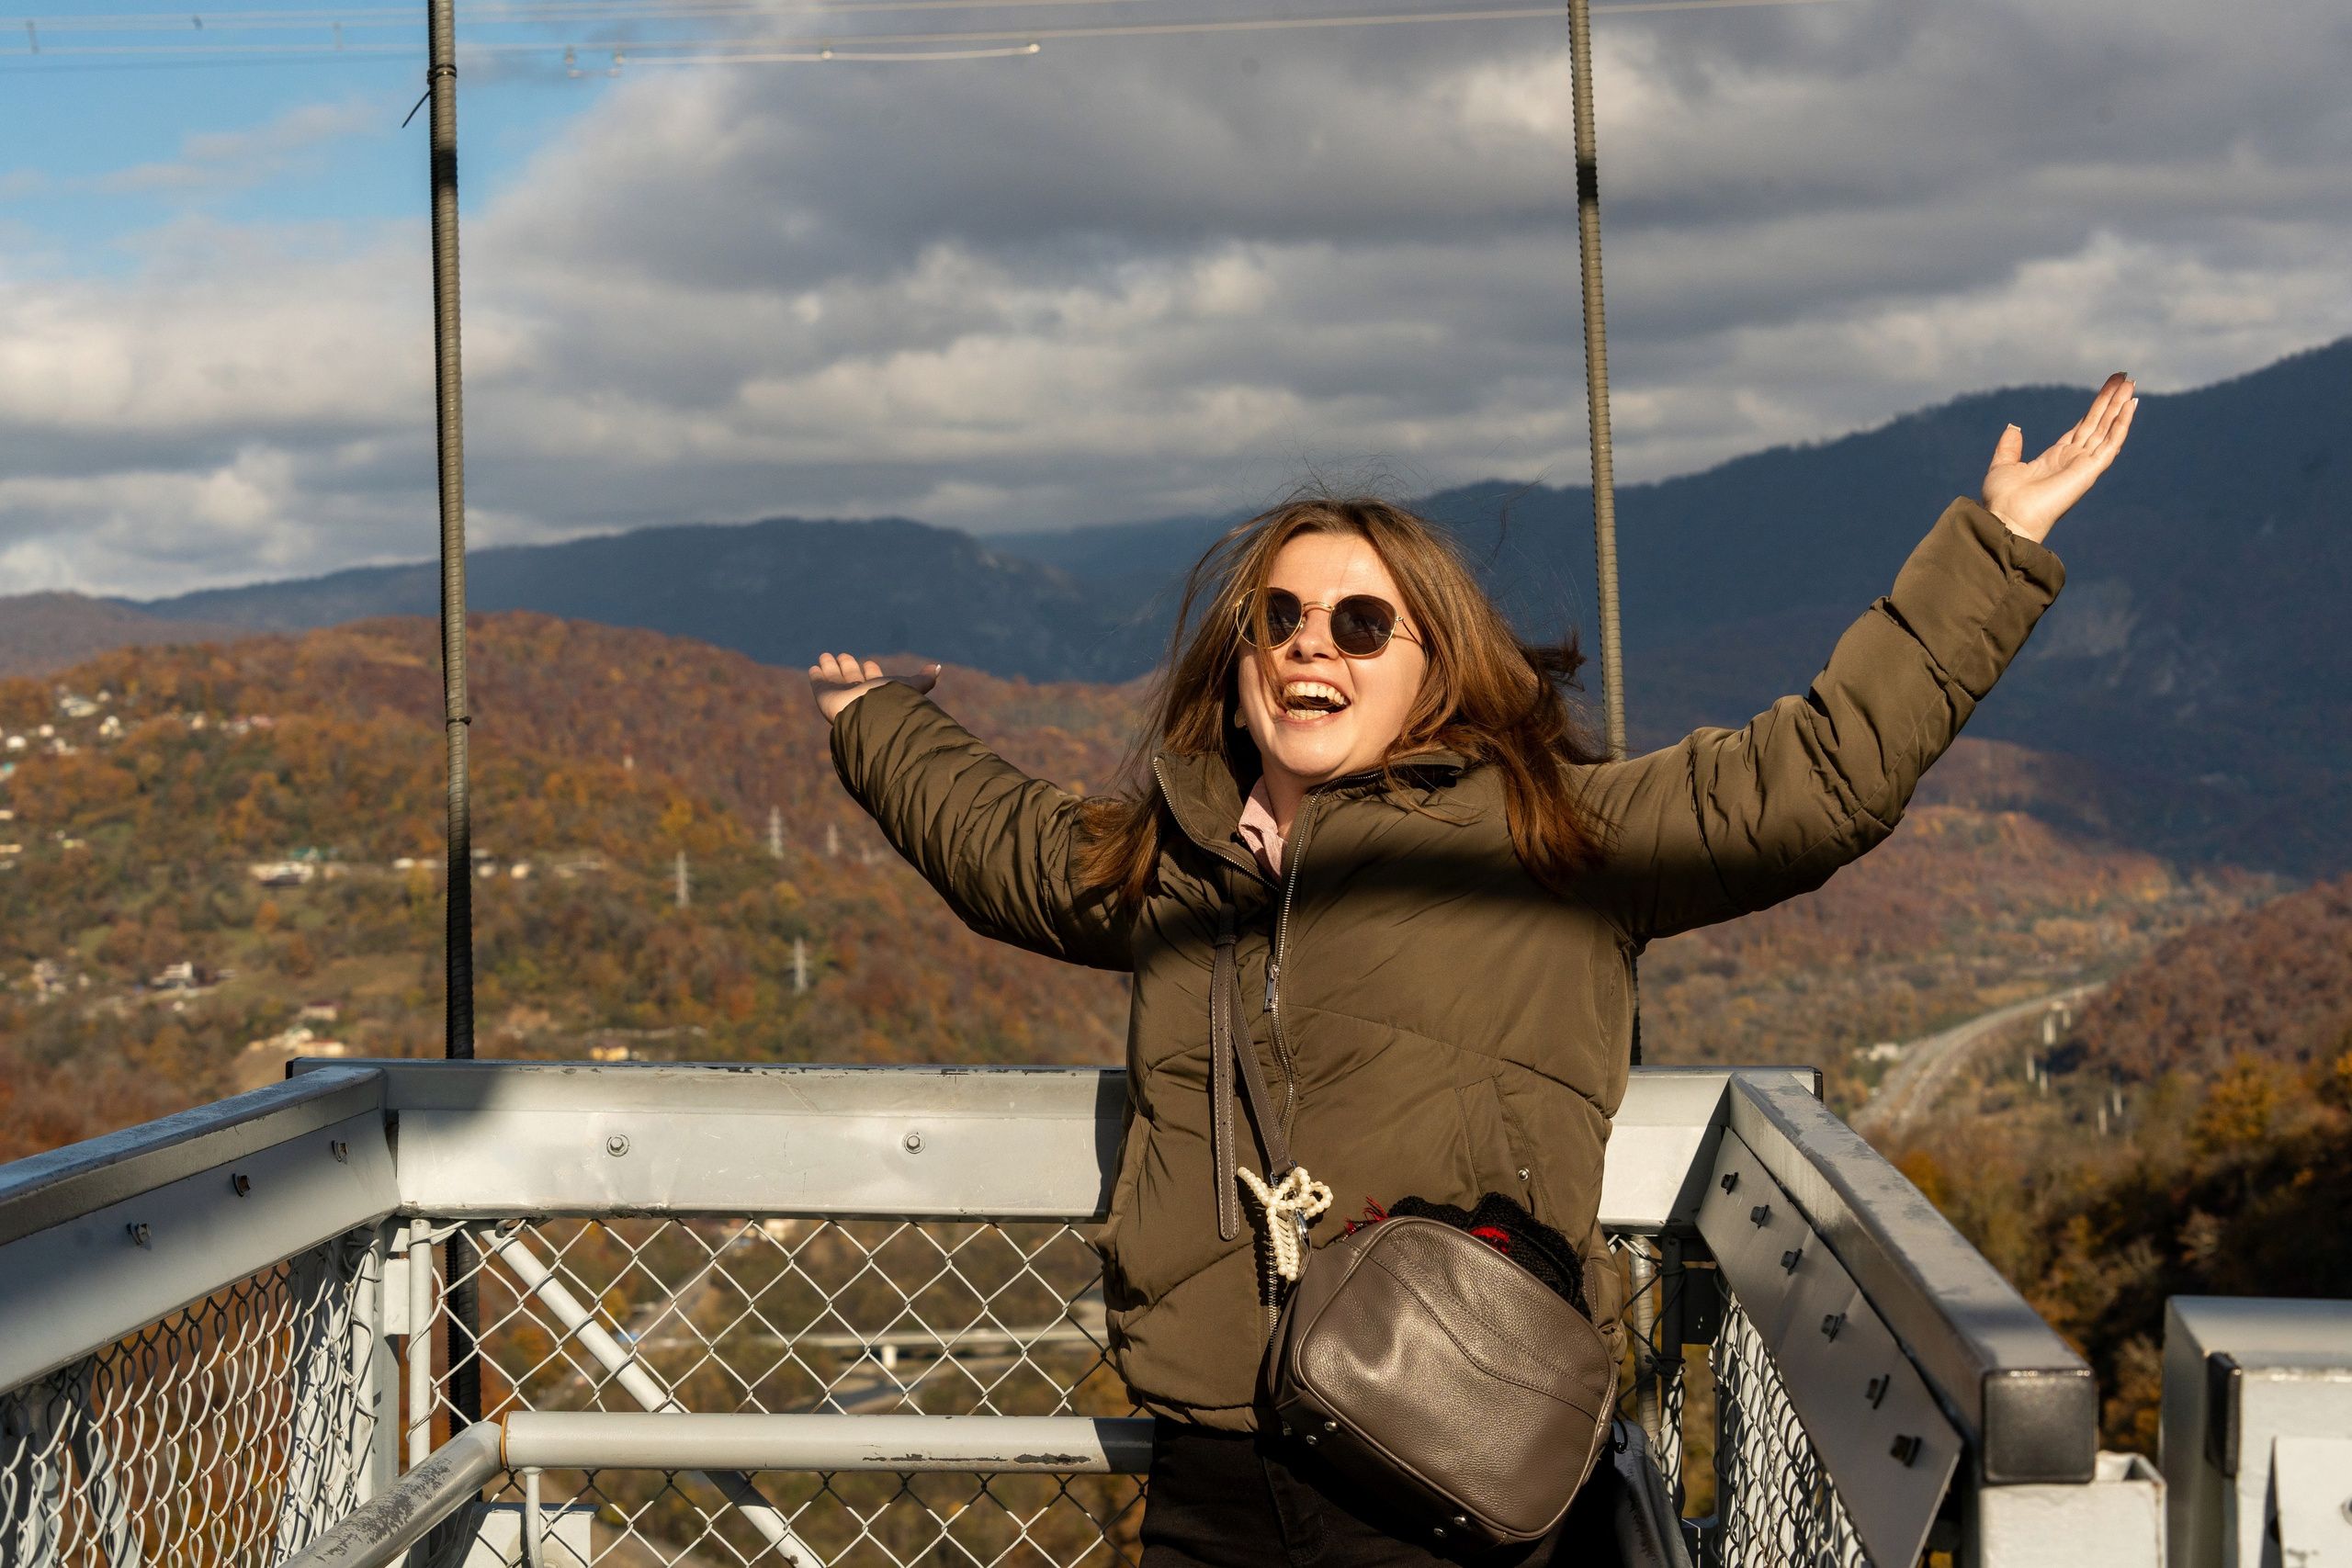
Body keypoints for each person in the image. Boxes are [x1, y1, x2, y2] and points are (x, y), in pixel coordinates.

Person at [809, 375, 2138, 1565]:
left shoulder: (1545, 833)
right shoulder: (1185, 863)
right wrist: (875, 727)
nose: (1309, 643)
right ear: (1240, 656)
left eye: (1360, 622)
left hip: (1444, 1440)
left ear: (1434, 664)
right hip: (1214, 1458)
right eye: (1278, 614)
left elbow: (1814, 780)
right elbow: (1008, 849)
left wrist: (1993, 547)